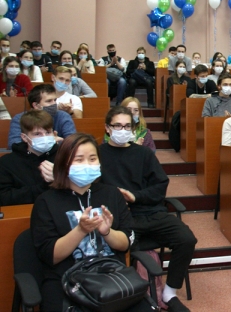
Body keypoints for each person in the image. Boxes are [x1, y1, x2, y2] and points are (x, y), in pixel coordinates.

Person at [30, 133, 145, 312]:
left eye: (92, 159)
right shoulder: (46, 201)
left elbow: (126, 243)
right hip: (66, 281)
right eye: (79, 159)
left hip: (112, 278)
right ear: (64, 164)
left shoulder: (112, 194)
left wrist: (107, 232)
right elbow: (50, 255)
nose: (87, 164)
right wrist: (81, 230)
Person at [99, 106, 196, 311]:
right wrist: (117, 200)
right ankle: (137, 295)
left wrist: (135, 196)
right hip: (121, 218)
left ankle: (169, 292)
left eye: (127, 126)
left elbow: (160, 186)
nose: (123, 130)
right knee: (126, 250)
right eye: (118, 126)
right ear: (107, 128)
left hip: (150, 212)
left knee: (186, 239)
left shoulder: (143, 153)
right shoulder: (98, 155)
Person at [0, 110, 58, 206]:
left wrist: (60, 180)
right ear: (24, 137)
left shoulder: (65, 157)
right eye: (37, 134)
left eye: (48, 132)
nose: (44, 138)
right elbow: (4, 197)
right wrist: (43, 186)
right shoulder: (6, 163)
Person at [8, 84, 76, 148]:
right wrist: (42, 143)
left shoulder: (63, 116)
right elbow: (13, 145)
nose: (54, 104)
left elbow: (73, 143)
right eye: (49, 101)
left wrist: (56, 143)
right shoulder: (19, 119)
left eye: (55, 100)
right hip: (29, 155)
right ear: (36, 105)